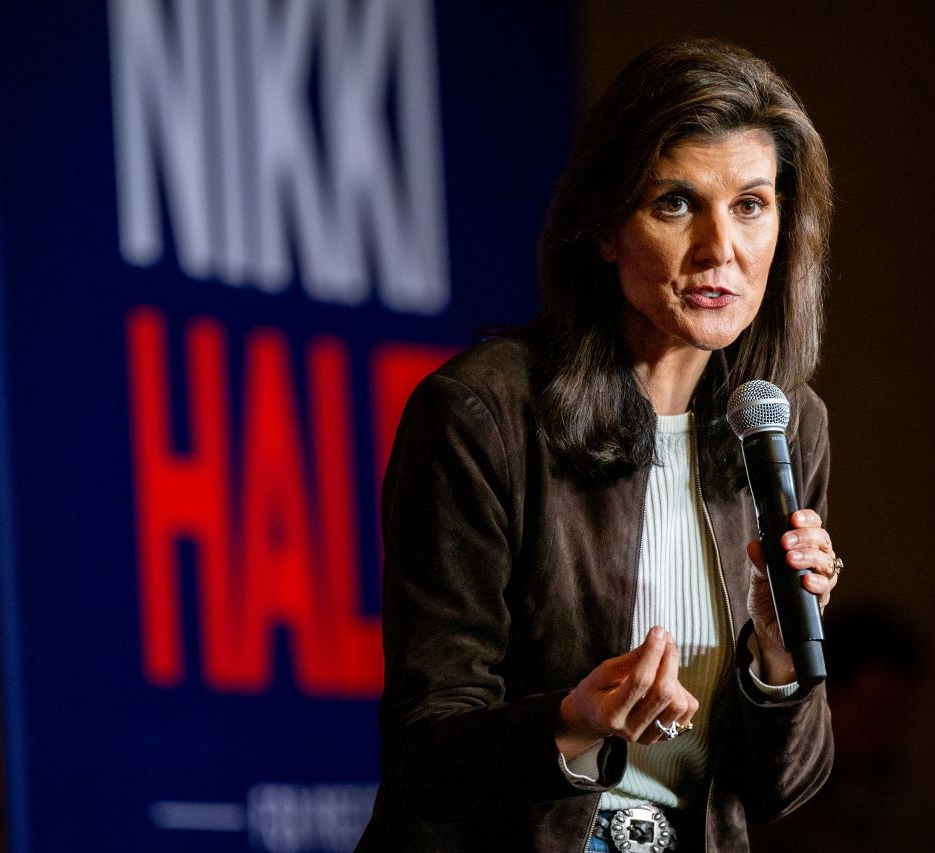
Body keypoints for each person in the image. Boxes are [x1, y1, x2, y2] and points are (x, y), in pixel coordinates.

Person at [356, 39, 840, 853]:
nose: (721, 249)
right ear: (606, 227)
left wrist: (781, 662)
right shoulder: (482, 414)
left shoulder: (782, 422)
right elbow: (424, 752)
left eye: (752, 204)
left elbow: (781, 786)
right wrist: (571, 722)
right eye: (677, 203)